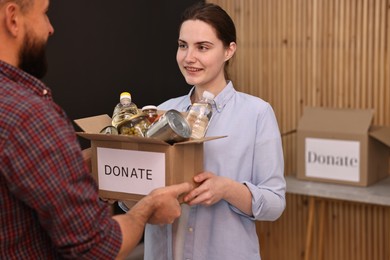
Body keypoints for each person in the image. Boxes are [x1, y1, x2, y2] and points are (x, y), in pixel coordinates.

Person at [0, 0, 192, 259]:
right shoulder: (30, 116)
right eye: (45, 14)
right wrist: (146, 209)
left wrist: (76, 165)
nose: (51, 28)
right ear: (13, 19)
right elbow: (97, 247)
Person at [143, 3, 286, 260]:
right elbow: (136, 194)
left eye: (203, 47)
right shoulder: (162, 112)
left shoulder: (257, 114)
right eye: (183, 45)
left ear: (229, 50)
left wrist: (227, 189)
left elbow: (275, 204)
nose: (189, 58)